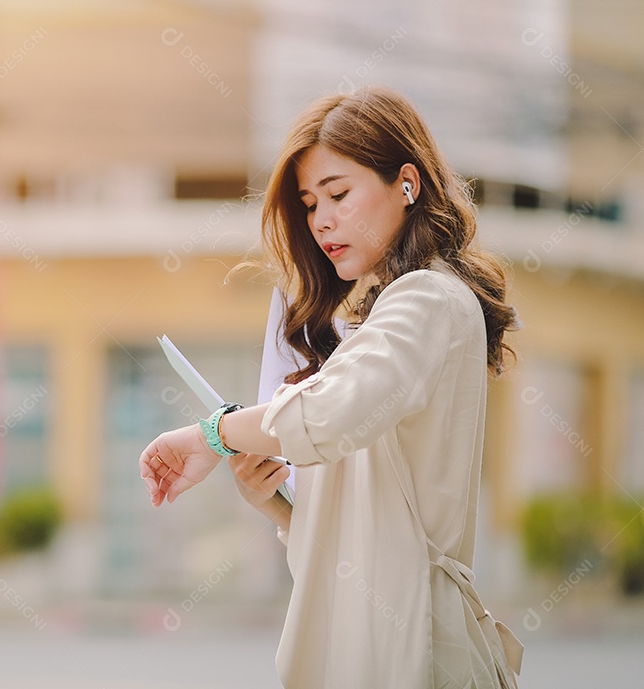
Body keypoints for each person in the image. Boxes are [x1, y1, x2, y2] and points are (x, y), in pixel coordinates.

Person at [139, 86, 523, 688]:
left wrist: (212, 432)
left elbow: (327, 414)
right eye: (310, 203)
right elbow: (353, 541)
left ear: (407, 183)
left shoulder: (427, 298)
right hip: (365, 649)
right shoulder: (375, 324)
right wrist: (275, 501)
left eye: (339, 194)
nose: (321, 221)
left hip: (415, 650)